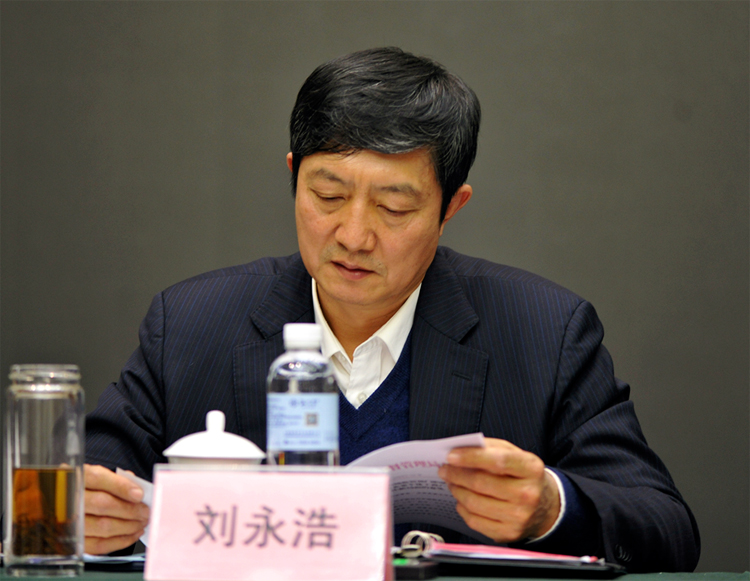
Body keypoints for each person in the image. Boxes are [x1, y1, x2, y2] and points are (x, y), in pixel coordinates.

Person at [83, 47, 700, 571]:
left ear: (451, 207)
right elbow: (84, 492)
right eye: (328, 195)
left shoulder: (544, 331)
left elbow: (667, 530)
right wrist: (96, 519)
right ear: (294, 177)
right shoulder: (192, 323)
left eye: (394, 208)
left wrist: (549, 508)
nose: (353, 236)